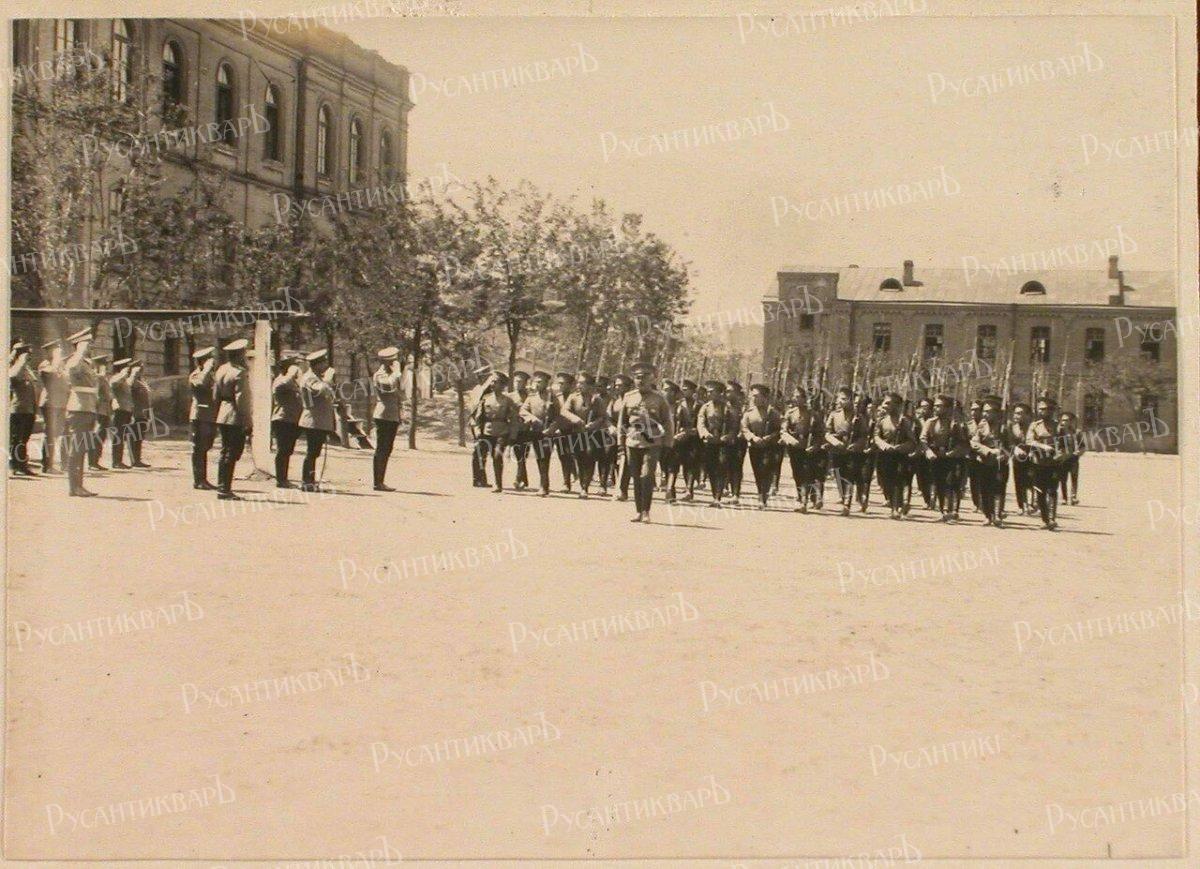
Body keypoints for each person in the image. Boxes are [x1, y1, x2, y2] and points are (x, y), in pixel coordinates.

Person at [617, 361, 673, 523]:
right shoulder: (629, 397)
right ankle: (638, 511)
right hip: (632, 441)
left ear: (652, 379)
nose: (640, 380)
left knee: (647, 476)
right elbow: (622, 422)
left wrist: (667, 445)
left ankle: (646, 511)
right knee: (635, 476)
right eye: (637, 377)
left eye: (644, 377)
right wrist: (621, 443)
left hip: (652, 441)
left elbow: (668, 423)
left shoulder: (660, 399)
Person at [62, 329, 100, 497]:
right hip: (79, 409)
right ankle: (74, 487)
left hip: (87, 409)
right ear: (80, 345)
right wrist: (80, 351)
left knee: (82, 449)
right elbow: (71, 369)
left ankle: (79, 486)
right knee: (77, 449)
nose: (90, 347)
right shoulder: (74, 361)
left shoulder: (86, 363)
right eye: (87, 344)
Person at [919, 393, 970, 521]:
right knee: (939, 483)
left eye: (939, 406)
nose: (936, 408)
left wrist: (953, 452)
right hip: (936, 457)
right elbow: (923, 439)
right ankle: (943, 510)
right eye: (935, 406)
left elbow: (963, 442)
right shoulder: (930, 422)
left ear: (947, 408)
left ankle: (950, 510)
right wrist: (928, 451)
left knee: (951, 483)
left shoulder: (954, 424)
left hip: (951, 457)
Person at [213, 338, 252, 500]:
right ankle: (225, 489)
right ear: (240, 355)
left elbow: (215, 395)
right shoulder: (240, 373)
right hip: (235, 416)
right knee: (233, 452)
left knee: (225, 451)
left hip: (223, 414)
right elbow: (242, 400)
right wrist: (248, 422)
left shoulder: (221, 369)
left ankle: (222, 486)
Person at [560, 372, 608, 498]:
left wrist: (594, 424)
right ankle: (582, 483)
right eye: (578, 383)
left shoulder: (597, 400)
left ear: (589, 385)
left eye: (582, 383)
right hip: (577, 433)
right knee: (580, 458)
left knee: (590, 457)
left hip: (593, 434)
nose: (579, 385)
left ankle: (585, 487)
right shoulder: (573, 397)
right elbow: (564, 411)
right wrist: (575, 419)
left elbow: (603, 416)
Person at [298, 349, 339, 493]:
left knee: (314, 453)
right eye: (323, 363)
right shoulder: (310, 378)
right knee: (312, 453)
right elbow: (320, 390)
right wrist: (327, 379)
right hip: (313, 420)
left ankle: (310, 481)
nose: (326, 366)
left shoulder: (316, 377)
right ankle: (307, 482)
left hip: (319, 420)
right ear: (316, 364)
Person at [872, 391, 917, 520]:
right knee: (887, 481)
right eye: (884, 403)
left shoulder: (905, 422)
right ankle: (894, 504)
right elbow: (876, 436)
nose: (884, 406)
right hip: (885, 455)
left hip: (900, 456)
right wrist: (884, 445)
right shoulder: (882, 421)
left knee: (898, 481)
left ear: (896, 405)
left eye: (888, 403)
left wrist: (901, 447)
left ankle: (896, 508)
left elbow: (912, 441)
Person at [519, 370, 564, 496]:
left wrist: (551, 429)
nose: (537, 384)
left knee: (544, 458)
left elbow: (560, 416)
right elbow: (522, 410)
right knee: (539, 458)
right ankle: (540, 484)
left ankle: (544, 486)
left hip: (548, 432)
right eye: (535, 382)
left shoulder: (553, 398)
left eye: (540, 382)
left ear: (546, 383)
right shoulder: (531, 397)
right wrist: (532, 418)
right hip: (535, 431)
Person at [471, 372, 517, 493]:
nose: (492, 384)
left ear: (502, 386)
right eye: (492, 382)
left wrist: (512, 436)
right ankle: (479, 480)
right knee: (479, 455)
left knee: (497, 456)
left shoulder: (508, 401)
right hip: (486, 432)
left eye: (496, 382)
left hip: (502, 432)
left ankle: (498, 484)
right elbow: (478, 417)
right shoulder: (486, 399)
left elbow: (513, 419)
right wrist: (477, 431)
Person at [970, 395, 1012, 526]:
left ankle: (997, 515)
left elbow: (1012, 446)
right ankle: (988, 515)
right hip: (984, 462)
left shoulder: (1005, 426)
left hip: (1000, 463)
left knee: (998, 489)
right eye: (984, 411)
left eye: (988, 411)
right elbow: (974, 443)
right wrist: (988, 451)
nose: (985, 414)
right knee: (984, 489)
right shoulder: (982, 425)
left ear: (996, 412)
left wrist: (1005, 454)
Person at [825, 386, 867, 516]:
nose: (841, 401)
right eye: (840, 398)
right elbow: (827, 432)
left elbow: (863, 435)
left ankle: (847, 503)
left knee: (849, 476)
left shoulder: (858, 417)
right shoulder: (834, 415)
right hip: (837, 450)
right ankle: (843, 497)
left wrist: (856, 445)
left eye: (844, 399)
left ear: (850, 400)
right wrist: (835, 442)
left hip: (852, 451)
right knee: (838, 475)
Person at [740, 383, 781, 509]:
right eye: (753, 396)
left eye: (757, 396)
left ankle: (763, 497)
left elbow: (779, 429)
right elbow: (744, 428)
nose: (754, 398)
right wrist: (753, 437)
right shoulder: (749, 413)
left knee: (766, 470)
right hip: (755, 446)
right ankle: (760, 493)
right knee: (757, 472)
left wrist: (771, 437)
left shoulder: (773, 413)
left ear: (764, 397)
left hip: (769, 447)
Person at [697, 380, 737, 507]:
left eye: (711, 392)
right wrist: (704, 433)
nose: (708, 394)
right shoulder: (705, 407)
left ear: (719, 393)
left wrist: (729, 435)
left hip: (724, 443)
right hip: (709, 442)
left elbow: (734, 426)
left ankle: (718, 497)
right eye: (708, 392)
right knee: (711, 468)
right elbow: (700, 423)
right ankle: (714, 495)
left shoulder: (728, 408)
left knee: (721, 467)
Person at [1025, 396, 1063, 530]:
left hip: (1054, 463)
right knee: (1040, 491)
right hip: (1038, 463)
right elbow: (1029, 441)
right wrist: (1043, 446)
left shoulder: (1059, 426)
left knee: (1052, 490)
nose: (1043, 412)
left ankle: (1052, 519)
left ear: (1052, 410)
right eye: (1041, 409)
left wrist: (1061, 455)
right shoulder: (1034, 425)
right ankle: (1045, 519)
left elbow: (1066, 444)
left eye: (1046, 409)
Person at [781, 387, 820, 512]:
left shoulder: (813, 415)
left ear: (804, 398)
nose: (795, 398)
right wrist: (791, 440)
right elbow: (783, 431)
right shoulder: (790, 413)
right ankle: (802, 497)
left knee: (807, 474)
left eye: (798, 396)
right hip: (794, 448)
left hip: (808, 448)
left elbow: (820, 433)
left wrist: (815, 445)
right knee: (797, 473)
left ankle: (804, 501)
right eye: (795, 396)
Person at [371, 346, 404, 491]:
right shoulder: (380, 375)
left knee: (387, 449)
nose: (395, 364)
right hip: (383, 415)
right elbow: (389, 386)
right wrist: (397, 372)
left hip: (392, 416)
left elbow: (400, 393)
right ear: (386, 362)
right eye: (392, 361)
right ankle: (377, 482)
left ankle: (380, 481)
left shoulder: (392, 374)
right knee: (382, 449)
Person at [271, 352, 304, 489]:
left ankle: (284, 478)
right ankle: (281, 479)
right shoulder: (281, 380)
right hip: (282, 419)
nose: (296, 369)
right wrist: (291, 374)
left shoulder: (292, 381)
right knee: (282, 450)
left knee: (288, 450)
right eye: (293, 365)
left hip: (292, 420)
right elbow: (282, 385)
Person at [188, 347, 219, 490]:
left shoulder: (210, 375)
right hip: (200, 416)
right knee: (199, 448)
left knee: (205, 447)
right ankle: (198, 480)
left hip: (209, 416)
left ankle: (203, 479)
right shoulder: (196, 375)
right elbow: (200, 383)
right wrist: (206, 369)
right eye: (209, 360)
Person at [37, 338, 68, 475]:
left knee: (56, 435)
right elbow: (51, 377)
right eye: (55, 350)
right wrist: (57, 360)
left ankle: (55, 464)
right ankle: (47, 465)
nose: (58, 352)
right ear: (49, 351)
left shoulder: (59, 365)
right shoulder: (45, 365)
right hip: (49, 403)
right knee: (49, 434)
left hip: (60, 403)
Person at [9, 341, 39, 476]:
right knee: (16, 439)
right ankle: (13, 465)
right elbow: (12, 376)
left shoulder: (26, 369)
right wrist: (20, 361)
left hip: (28, 409)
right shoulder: (14, 367)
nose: (28, 355)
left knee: (24, 439)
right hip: (18, 409)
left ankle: (22, 465)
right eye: (26, 353)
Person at [673, 379, 702, 502]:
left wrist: (695, 431)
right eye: (683, 389)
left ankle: (689, 489)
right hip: (680, 438)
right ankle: (674, 489)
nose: (683, 391)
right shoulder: (678, 404)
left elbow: (703, 422)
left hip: (694, 439)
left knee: (691, 464)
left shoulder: (700, 405)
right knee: (678, 463)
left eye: (686, 389)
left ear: (693, 391)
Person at [607, 373, 634, 500]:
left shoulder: (633, 401)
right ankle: (612, 483)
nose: (617, 387)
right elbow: (608, 417)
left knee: (626, 462)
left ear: (628, 387)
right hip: (614, 435)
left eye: (620, 385)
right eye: (616, 385)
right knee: (611, 458)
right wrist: (611, 427)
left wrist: (627, 431)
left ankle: (623, 490)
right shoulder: (614, 401)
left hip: (629, 435)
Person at [657, 380, 683, 502]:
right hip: (660, 441)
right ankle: (666, 485)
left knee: (672, 467)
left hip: (675, 442)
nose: (665, 392)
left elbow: (687, 425)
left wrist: (681, 434)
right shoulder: (659, 407)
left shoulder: (680, 409)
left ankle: (670, 492)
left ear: (674, 393)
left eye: (668, 390)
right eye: (664, 390)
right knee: (663, 465)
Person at [552, 371, 577, 492]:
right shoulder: (556, 398)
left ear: (570, 385)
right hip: (561, 431)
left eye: (563, 383)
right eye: (559, 383)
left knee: (576, 455)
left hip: (575, 431)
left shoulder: (576, 397)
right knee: (564, 456)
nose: (560, 386)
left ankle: (578, 476)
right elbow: (554, 414)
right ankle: (566, 482)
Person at [507, 370, 532, 490]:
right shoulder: (509, 396)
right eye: (516, 381)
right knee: (518, 455)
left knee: (523, 455)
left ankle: (519, 479)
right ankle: (522, 479)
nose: (517, 384)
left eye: (520, 382)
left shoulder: (530, 397)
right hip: (514, 429)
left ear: (525, 383)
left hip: (527, 429)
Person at [908, 396, 934, 510]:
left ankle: (932, 498)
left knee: (931, 477)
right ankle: (926, 499)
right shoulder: (916, 421)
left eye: (926, 407)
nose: (924, 409)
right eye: (922, 407)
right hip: (919, 452)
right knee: (922, 477)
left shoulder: (934, 421)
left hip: (932, 451)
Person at [1008, 402, 1034, 516]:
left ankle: (1031, 504)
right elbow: (1009, 442)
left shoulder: (1033, 427)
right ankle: (1021, 505)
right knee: (1019, 481)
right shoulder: (1012, 428)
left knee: (1031, 480)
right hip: (1018, 459)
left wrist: (1033, 451)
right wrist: (1015, 449)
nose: (1016, 416)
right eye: (1015, 413)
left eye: (1019, 413)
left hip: (1032, 458)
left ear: (1027, 415)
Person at [87, 354, 113, 470]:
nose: (106, 367)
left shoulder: (103, 378)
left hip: (105, 410)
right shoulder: (98, 378)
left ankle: (95, 461)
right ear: (98, 365)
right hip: (99, 411)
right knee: (97, 436)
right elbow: (96, 395)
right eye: (104, 365)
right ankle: (92, 462)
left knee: (101, 436)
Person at [126, 360, 153, 468]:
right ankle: (134, 460)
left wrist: (149, 415)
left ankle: (137, 459)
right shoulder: (131, 381)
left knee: (139, 437)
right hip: (135, 413)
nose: (141, 371)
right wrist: (133, 374)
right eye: (140, 369)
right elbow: (129, 386)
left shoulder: (141, 382)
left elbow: (147, 400)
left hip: (143, 414)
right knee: (134, 436)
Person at [108, 358, 134, 469]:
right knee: (118, 436)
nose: (128, 370)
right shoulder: (116, 378)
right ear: (121, 369)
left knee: (122, 436)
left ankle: (119, 460)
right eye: (126, 367)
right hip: (119, 410)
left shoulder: (124, 380)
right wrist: (122, 375)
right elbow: (112, 384)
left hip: (126, 410)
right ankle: (116, 462)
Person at [726, 379, 748, 505]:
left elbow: (745, 424)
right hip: (726, 440)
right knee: (726, 465)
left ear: (737, 393)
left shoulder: (743, 408)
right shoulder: (724, 406)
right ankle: (727, 489)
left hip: (739, 441)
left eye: (730, 391)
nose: (727, 393)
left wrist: (740, 435)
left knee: (736, 466)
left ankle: (735, 493)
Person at [1057, 410, 1083, 505]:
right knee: (1063, 479)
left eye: (1066, 420)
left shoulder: (1077, 433)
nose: (1063, 422)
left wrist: (1078, 453)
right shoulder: (1058, 432)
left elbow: (1082, 446)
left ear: (1071, 421)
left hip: (1073, 459)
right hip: (1063, 458)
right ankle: (1064, 498)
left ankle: (1073, 497)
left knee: (1074, 478)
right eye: (1062, 420)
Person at [964, 399, 984, 512]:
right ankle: (976, 503)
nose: (973, 412)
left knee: (983, 480)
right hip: (971, 456)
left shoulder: (985, 424)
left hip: (984, 456)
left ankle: (983, 502)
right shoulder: (969, 425)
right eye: (972, 410)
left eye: (976, 410)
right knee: (973, 480)